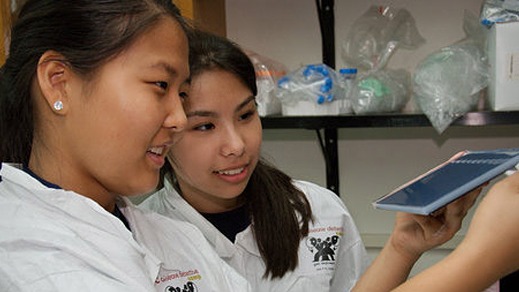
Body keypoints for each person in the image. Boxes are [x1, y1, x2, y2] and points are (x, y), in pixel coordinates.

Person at [140, 30, 484, 291]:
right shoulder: (139, 237)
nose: (236, 145)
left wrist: (401, 248)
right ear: (165, 128)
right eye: (204, 126)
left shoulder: (318, 212)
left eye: (246, 115)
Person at [0, 1, 251, 291]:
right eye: (160, 85)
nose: (180, 120)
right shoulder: (26, 259)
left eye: (182, 93)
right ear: (59, 83)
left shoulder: (175, 238)